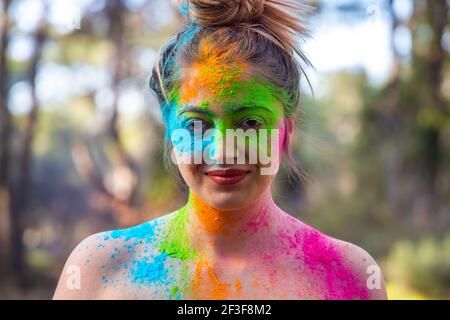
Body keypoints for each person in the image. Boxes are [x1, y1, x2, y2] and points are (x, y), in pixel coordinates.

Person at [54, 0, 387, 300]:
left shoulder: (346, 276)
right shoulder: (101, 269)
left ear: (288, 131)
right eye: (197, 124)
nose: (224, 150)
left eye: (250, 123)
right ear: (170, 133)